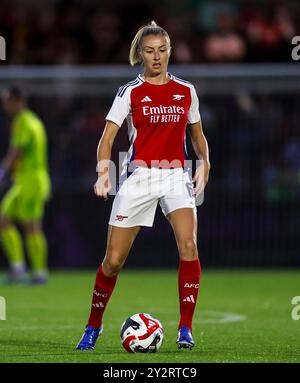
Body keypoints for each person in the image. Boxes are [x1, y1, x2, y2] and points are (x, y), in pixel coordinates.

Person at [76, 21, 210, 350]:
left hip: (176, 175)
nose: (157, 57)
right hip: (139, 176)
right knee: (114, 261)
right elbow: (107, 138)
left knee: (189, 246)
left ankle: (185, 329)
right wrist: (103, 173)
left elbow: (197, 136)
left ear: (169, 52)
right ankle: (93, 327)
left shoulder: (185, 91)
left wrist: (205, 162)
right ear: (140, 54)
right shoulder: (129, 92)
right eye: (150, 51)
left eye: (162, 50)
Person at [0, 86, 51, 284]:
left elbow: (17, 151)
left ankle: (39, 273)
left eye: (6, 101)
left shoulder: (23, 122)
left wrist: (3, 172)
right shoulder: (33, 121)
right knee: (3, 219)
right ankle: (18, 268)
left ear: (16, 101)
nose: (5, 105)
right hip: (25, 180)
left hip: (32, 180)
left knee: (31, 227)